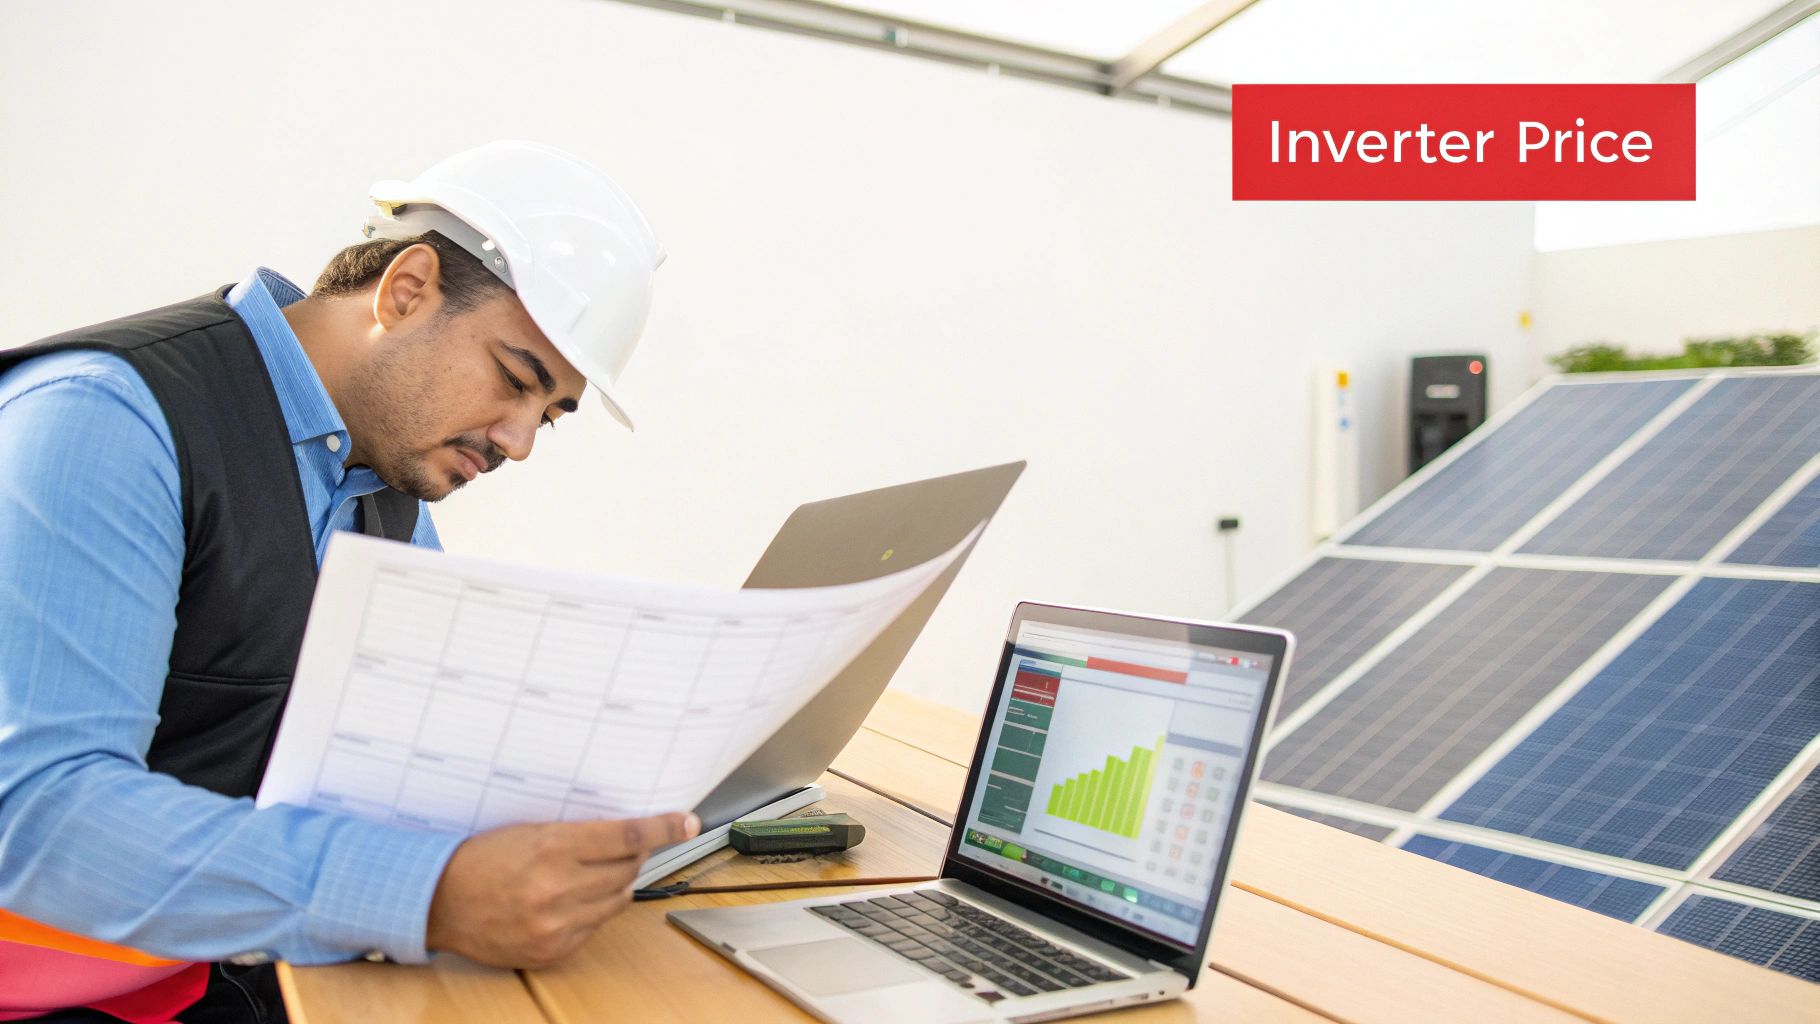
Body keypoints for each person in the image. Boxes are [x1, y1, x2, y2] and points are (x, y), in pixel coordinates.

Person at [0, 141, 697, 1024]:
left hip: (212, 974)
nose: (519, 440)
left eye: (548, 416)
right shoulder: (102, 419)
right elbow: (37, 817)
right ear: (406, 291)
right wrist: (428, 893)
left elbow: (421, 743)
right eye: (516, 379)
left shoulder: (383, 487)